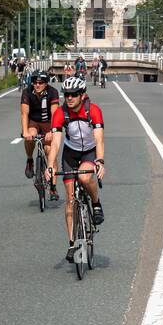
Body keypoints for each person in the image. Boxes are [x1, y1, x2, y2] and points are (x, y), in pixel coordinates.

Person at [46, 76, 105, 263]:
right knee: (70, 200)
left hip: (89, 152)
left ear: (82, 95)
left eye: (73, 95)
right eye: (66, 95)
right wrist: (50, 165)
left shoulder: (93, 111)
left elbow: (99, 139)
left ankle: (95, 203)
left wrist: (100, 161)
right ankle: (72, 244)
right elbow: (55, 143)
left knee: (86, 179)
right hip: (70, 154)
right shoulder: (60, 113)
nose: (69, 98)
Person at [20, 69, 60, 192]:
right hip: (34, 122)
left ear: (46, 83)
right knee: (30, 136)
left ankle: (53, 187)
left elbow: (55, 113)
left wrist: (52, 131)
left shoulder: (53, 92)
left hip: (49, 122)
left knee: (49, 150)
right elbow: (24, 113)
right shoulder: (27, 92)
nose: (37, 85)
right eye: (35, 82)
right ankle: (30, 159)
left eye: (41, 82)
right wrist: (25, 131)